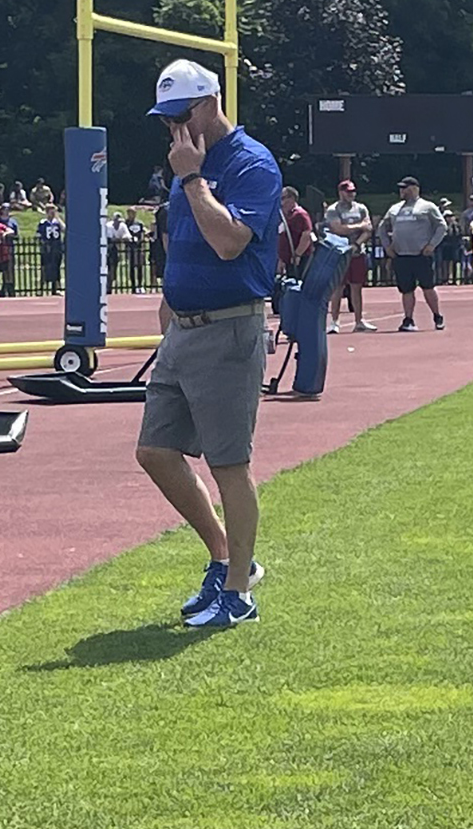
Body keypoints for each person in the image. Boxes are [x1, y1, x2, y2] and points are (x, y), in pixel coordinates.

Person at [135, 58, 283, 629]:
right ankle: (225, 559)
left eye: (180, 115)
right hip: (184, 328)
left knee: (229, 463)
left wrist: (194, 178)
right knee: (154, 451)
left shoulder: (250, 163)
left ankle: (239, 592)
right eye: (165, 119)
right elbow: (183, 247)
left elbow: (227, 243)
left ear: (209, 105)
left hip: (228, 328)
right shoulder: (184, 165)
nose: (173, 129)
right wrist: (168, 306)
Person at [379, 177, 448, 331]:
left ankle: (437, 315)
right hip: (401, 255)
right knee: (406, 289)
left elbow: (441, 226)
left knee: (428, 287)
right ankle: (408, 319)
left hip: (421, 254)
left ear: (415, 188)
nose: (402, 191)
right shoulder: (395, 209)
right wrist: (387, 247)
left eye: (405, 188)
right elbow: (382, 228)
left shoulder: (427, 207)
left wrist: (432, 244)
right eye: (401, 188)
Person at [324, 179, 376, 333]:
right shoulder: (334, 210)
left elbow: (369, 229)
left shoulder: (361, 208)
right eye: (348, 192)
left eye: (353, 191)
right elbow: (338, 229)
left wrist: (357, 244)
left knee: (357, 287)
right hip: (340, 253)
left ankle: (359, 321)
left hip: (356, 252)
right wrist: (358, 226)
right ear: (341, 193)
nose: (351, 194)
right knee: (338, 288)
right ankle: (334, 321)